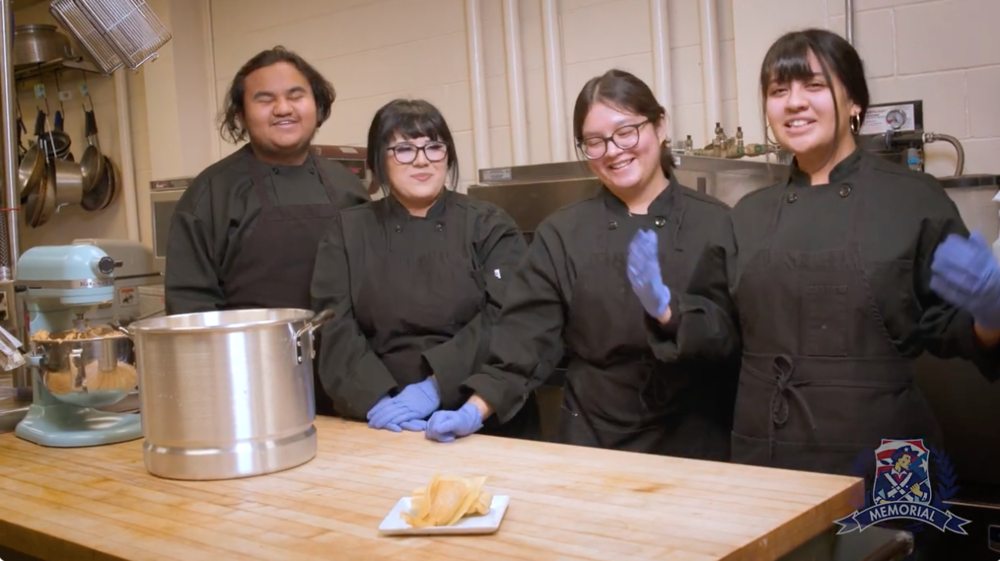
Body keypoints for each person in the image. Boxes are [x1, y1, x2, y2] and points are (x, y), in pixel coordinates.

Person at [626, 28, 1000, 477]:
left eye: (815, 86)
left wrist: (991, 315)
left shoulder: (913, 200)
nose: (794, 102)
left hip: (886, 451)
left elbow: (949, 326)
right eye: (778, 90)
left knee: (888, 549)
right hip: (767, 447)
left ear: (854, 103)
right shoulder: (748, 215)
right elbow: (720, 325)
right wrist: (667, 309)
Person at [422, 69, 740, 458]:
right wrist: (475, 408)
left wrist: (672, 313)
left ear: (659, 125)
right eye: (595, 141)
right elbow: (525, 338)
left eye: (626, 132)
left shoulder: (718, 222)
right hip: (593, 436)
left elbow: (733, 336)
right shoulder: (562, 232)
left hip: (695, 436)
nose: (613, 150)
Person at [310, 98, 540, 439]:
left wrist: (434, 388)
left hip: (477, 407)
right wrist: (375, 400)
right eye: (403, 149)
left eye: (434, 147)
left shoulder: (488, 224)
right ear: (379, 160)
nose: (421, 160)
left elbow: (508, 316)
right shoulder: (347, 231)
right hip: (385, 420)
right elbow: (333, 326)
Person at [164, 46, 369, 317]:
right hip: (248, 357)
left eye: (296, 96)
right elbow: (190, 308)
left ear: (317, 106)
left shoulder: (349, 188)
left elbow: (374, 286)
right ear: (241, 115)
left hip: (345, 355)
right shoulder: (210, 196)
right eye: (264, 99)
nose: (283, 109)